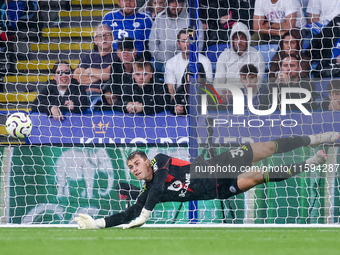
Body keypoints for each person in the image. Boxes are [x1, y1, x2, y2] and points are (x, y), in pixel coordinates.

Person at [75, 131, 340, 229]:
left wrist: (145, 215)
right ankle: (310, 163)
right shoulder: (148, 192)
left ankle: (319, 138)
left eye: (137, 164)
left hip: (217, 165)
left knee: (268, 148)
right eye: (130, 167)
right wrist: (97, 224)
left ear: (146, 161)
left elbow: (157, 187)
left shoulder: (160, 159)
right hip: (219, 189)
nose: (134, 169)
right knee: (259, 177)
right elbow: (129, 211)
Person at [148, 0, 205, 71]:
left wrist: (181, 59)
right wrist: (165, 59)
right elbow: (152, 44)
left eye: (179, 2)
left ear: (184, 3)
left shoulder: (193, 21)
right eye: (172, 2)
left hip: (187, 62)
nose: (175, 5)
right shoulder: (159, 20)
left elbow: (198, 45)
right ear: (167, 3)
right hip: (162, 62)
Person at [73, 24, 117, 107]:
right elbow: (76, 77)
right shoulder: (88, 57)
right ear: (95, 41)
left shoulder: (118, 56)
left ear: (113, 37)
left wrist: (89, 71)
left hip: (105, 98)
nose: (104, 38)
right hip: (84, 96)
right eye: (99, 36)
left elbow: (110, 75)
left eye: (107, 34)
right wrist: (101, 74)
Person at [165, 28, 213, 100]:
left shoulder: (205, 61)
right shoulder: (170, 63)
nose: (187, 44)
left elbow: (208, 87)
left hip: (200, 99)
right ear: (178, 43)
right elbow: (171, 90)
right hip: (180, 99)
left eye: (189, 40)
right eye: (183, 41)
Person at [214, 22, 265, 88]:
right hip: (228, 95)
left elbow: (258, 84)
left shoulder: (257, 56)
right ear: (232, 40)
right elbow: (218, 83)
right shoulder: (224, 56)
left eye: (242, 38)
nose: (239, 42)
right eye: (236, 38)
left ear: (248, 39)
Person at [102, 37, 137, 110]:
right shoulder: (115, 66)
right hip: (122, 101)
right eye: (122, 51)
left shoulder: (142, 64)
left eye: (129, 51)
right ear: (118, 53)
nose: (125, 54)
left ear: (135, 52)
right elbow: (115, 86)